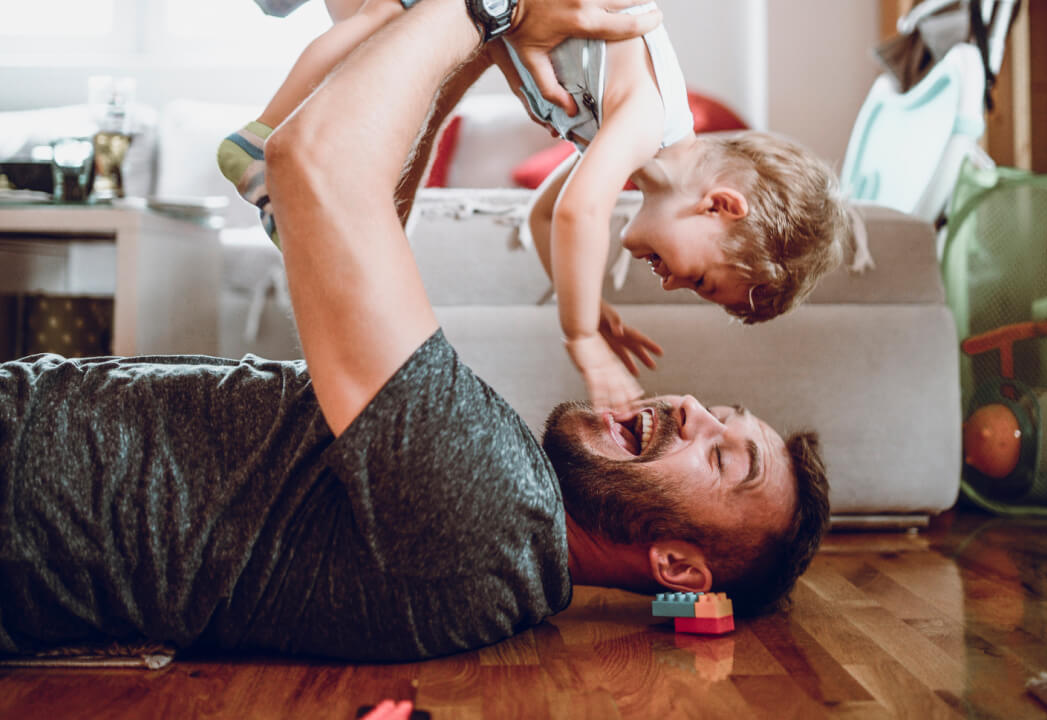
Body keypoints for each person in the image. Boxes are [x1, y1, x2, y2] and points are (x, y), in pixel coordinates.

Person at [0, 0, 830, 663]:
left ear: (678, 570)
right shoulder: (500, 525)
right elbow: (344, 237)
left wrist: (489, 7)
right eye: (723, 414)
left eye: (724, 455)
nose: (693, 408)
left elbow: (314, 168)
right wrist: (479, 48)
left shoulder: (490, 509)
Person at [220, 0, 862, 413]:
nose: (669, 282)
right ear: (722, 206)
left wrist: (585, 294)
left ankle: (277, 145)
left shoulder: (636, 157)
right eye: (698, 278)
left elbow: (544, 217)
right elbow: (581, 213)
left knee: (379, 23)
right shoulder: (650, 121)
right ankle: (263, 137)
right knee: (380, 20)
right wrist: (583, 338)